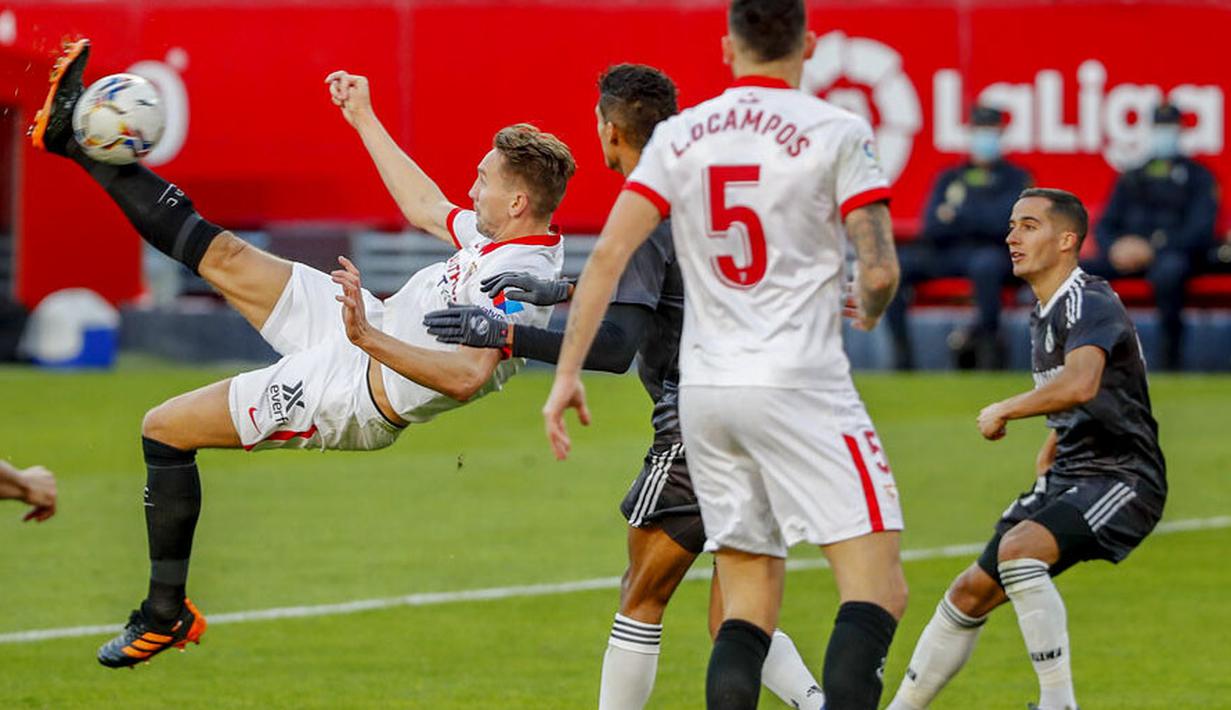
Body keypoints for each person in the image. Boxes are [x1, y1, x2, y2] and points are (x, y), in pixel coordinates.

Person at [31, 40, 574, 667]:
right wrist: (364, 117)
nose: (470, 187)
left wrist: (370, 338)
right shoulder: (498, 233)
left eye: (483, 179)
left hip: (353, 394)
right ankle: (70, 141)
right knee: (223, 253)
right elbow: (424, 207)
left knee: (164, 429)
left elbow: (466, 375)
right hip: (360, 325)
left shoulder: (519, 277)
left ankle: (164, 614)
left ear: (517, 202)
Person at [541, 2, 909, 708]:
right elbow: (881, 269)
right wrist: (869, 303)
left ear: (726, 47)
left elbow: (608, 256)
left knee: (742, 604)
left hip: (706, 397)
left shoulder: (680, 138)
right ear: (805, 45)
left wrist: (564, 376)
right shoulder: (835, 129)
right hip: (801, 382)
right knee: (877, 588)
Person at [424, 63, 823, 710]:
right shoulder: (706, 183)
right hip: (777, 409)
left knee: (640, 595)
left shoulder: (648, 197)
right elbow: (682, 280)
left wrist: (501, 334)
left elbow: (612, 351)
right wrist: (565, 288)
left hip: (703, 416)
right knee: (737, 610)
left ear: (610, 129)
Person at [886, 188, 1167, 710]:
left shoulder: (1088, 298)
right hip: (1072, 471)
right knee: (969, 593)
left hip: (1122, 477)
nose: (1012, 236)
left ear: (1066, 241)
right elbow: (1097, 392)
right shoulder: (1047, 309)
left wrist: (1007, 408)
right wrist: (1055, 439)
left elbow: (1082, 383)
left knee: (1018, 555)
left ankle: (1058, 703)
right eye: (1013, 224)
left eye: (1029, 225)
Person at [884, 105, 1032, 370]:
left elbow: (1008, 224)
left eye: (991, 131)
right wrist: (980, 219)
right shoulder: (950, 177)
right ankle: (902, 357)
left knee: (986, 266)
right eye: (979, 130)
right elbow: (932, 225)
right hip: (947, 252)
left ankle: (989, 353)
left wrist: (958, 215)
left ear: (1001, 133)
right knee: (897, 267)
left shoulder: (1017, 178)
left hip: (993, 254)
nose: (985, 138)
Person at [1083, 102, 1218, 370]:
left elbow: (1200, 230)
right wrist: (1115, 248)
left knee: (1169, 272)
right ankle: (1087, 359)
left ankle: (1170, 360)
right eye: (1159, 127)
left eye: (1169, 127)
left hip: (1173, 256)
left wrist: (1153, 248)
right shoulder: (1133, 176)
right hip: (1127, 258)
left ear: (1181, 130)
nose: (1164, 134)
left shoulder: (1199, 178)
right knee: (1079, 275)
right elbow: (1105, 224)